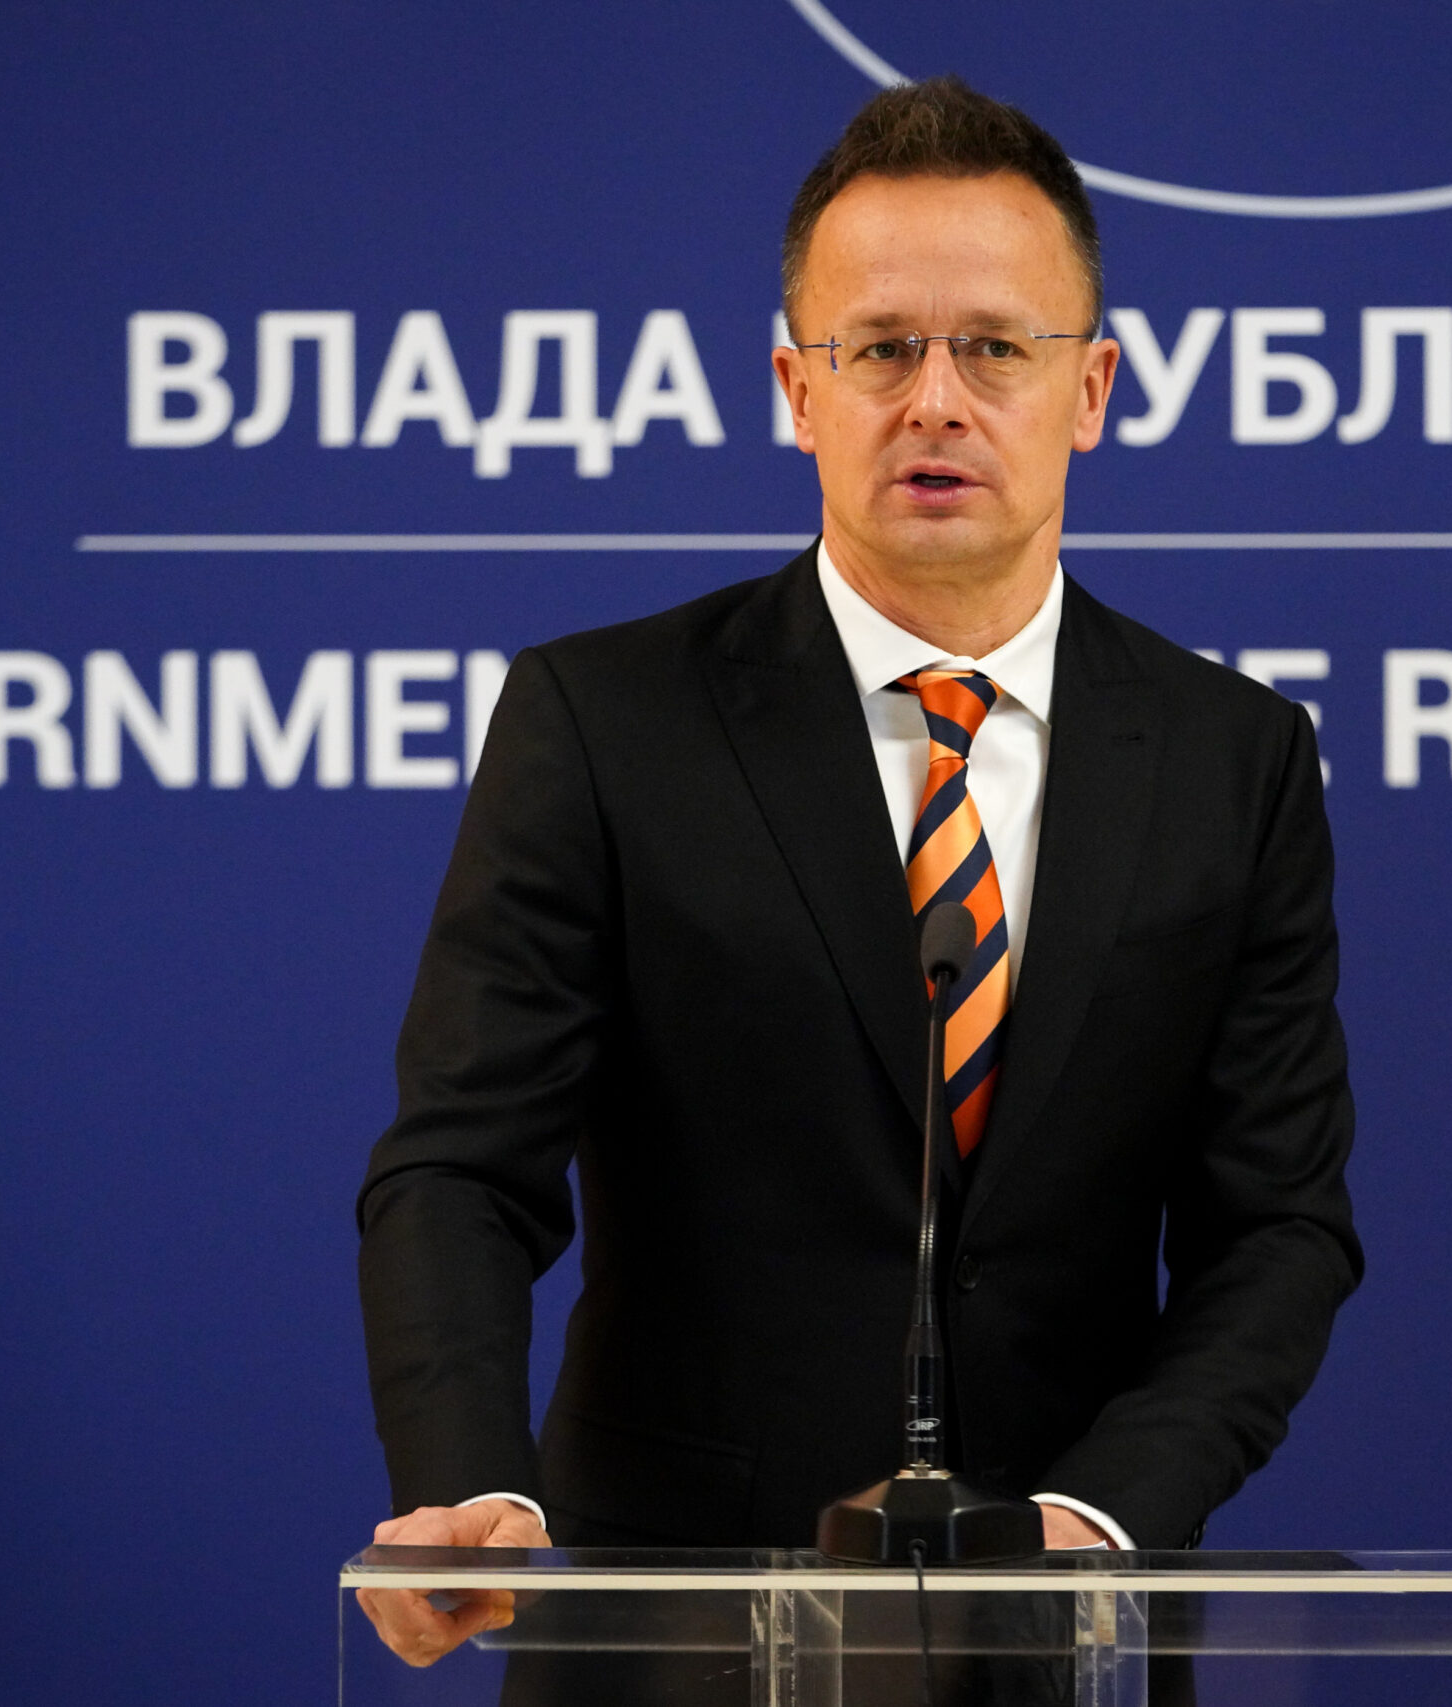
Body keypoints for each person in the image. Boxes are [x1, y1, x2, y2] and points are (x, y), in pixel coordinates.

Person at [354, 76, 1362, 1676]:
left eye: (997, 349)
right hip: (676, 1640)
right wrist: (469, 1480)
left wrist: (1095, 1518)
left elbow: (1280, 1228)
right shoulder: (605, 722)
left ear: (1092, 388)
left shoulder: (1233, 761)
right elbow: (463, 1164)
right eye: (881, 348)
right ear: (796, 388)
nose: (937, 401)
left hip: (1065, 1649)